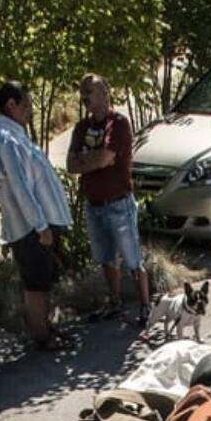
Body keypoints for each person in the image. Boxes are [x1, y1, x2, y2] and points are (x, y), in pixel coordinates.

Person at [0, 82, 72, 350]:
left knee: (43, 280)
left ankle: (46, 328)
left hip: (35, 225)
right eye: (26, 105)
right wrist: (41, 225)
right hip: (29, 228)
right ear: (11, 104)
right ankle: (42, 337)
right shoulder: (6, 139)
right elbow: (20, 188)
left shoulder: (10, 132)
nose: (30, 111)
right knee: (36, 284)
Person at [67, 75, 150, 326]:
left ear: (104, 92)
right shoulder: (82, 128)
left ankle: (146, 305)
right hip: (95, 204)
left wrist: (88, 159)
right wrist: (93, 159)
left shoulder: (119, 123)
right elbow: (71, 164)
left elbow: (106, 157)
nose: (85, 97)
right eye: (82, 92)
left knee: (132, 258)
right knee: (105, 257)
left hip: (119, 203)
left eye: (89, 91)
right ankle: (114, 302)